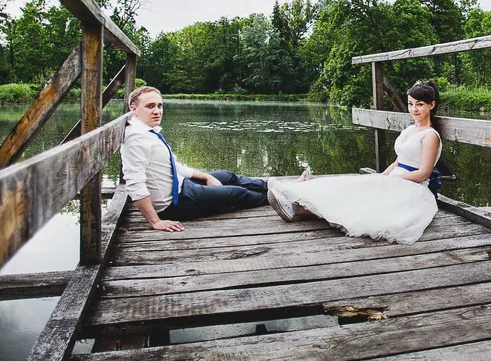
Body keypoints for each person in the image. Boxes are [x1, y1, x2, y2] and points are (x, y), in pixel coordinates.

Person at [267, 80, 443, 244]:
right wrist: (380, 177)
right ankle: (294, 200)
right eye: (411, 104)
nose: (414, 110)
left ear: (431, 105)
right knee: (352, 185)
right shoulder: (410, 129)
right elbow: (398, 162)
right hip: (393, 179)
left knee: (361, 204)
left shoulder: (430, 136)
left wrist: (393, 180)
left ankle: (298, 208)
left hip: (412, 186)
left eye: (419, 105)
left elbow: (424, 173)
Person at [121, 86, 269, 231]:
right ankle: (275, 199)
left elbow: (174, 166)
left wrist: (205, 176)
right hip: (175, 203)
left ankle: (271, 186)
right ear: (134, 109)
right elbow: (134, 183)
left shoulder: (147, 131)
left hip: (181, 185)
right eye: (150, 106)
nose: (157, 111)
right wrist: (155, 221)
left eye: (160, 106)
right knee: (238, 193)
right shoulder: (136, 139)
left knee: (227, 176)